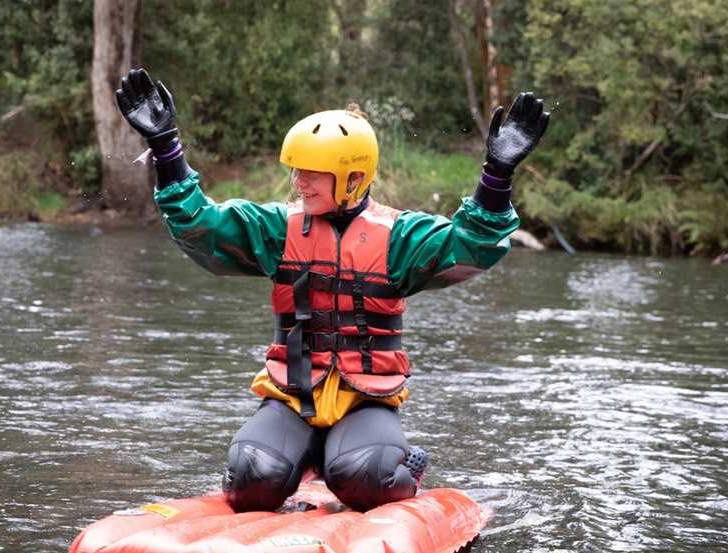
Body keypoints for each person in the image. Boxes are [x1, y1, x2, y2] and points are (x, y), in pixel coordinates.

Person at [115, 68, 549, 513]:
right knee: (251, 476)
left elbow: (474, 244)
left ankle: (400, 467)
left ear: (354, 179)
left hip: (365, 400)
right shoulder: (276, 229)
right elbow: (197, 222)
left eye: (313, 174)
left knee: (368, 477)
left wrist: (497, 173)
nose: (299, 181)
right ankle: (298, 463)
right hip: (292, 397)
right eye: (298, 171)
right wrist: (165, 146)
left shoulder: (400, 237)